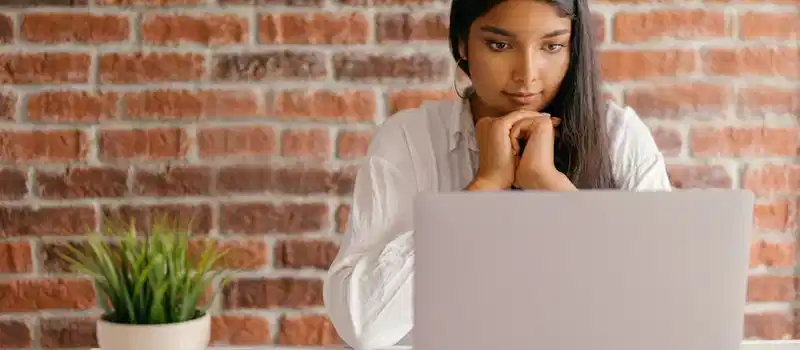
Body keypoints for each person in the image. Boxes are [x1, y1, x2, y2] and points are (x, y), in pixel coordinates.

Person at [323, 0, 673, 348]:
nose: (527, 74)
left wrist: (557, 194)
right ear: (462, 43)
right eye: (500, 45)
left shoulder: (619, 137)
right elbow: (365, 326)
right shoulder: (410, 140)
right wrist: (483, 190)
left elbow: (664, 315)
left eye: (552, 46)